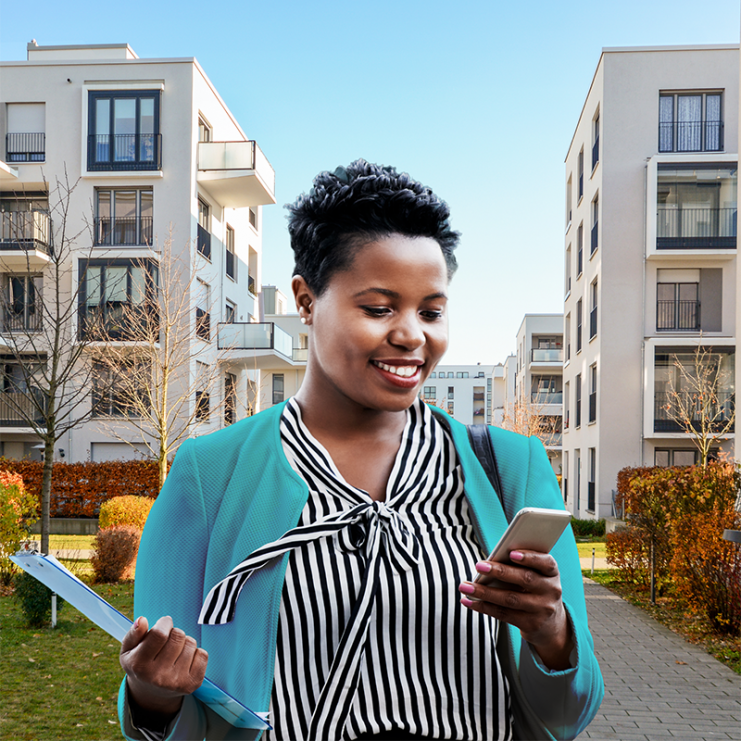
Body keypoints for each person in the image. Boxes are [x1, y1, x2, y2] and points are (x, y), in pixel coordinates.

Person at [118, 160, 604, 741]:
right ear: (305, 300)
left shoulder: (510, 468)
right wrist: (151, 696)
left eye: (431, 310)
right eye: (378, 308)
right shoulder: (211, 475)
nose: (411, 334)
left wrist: (552, 634)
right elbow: (173, 710)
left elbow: (570, 715)